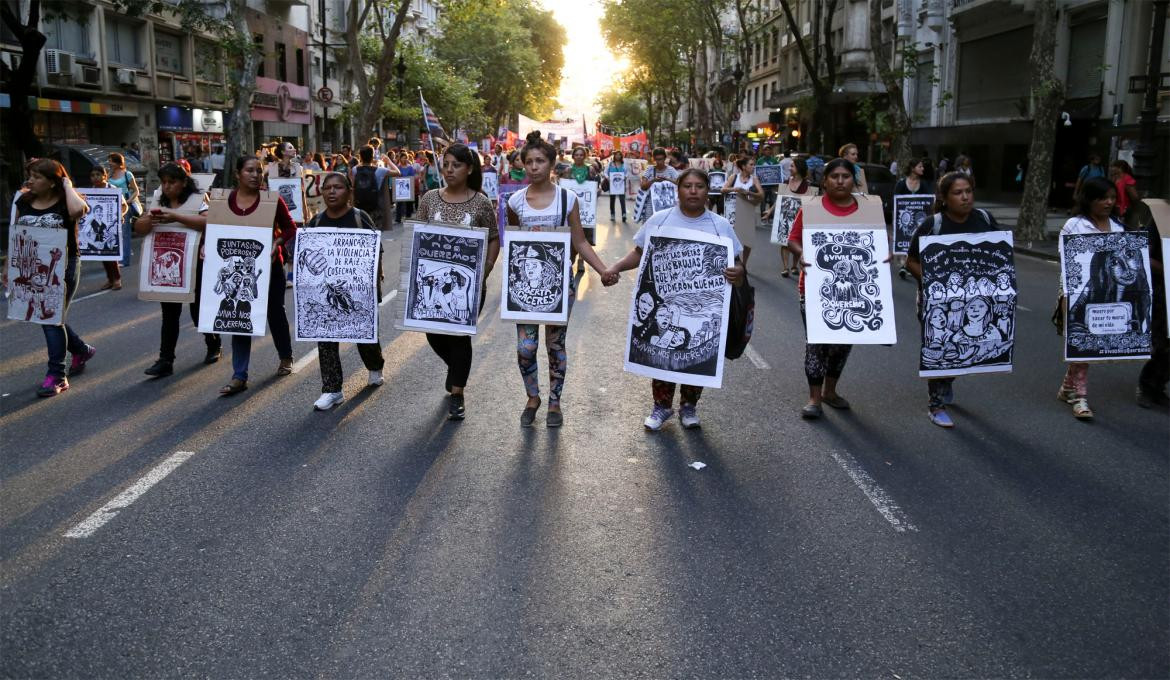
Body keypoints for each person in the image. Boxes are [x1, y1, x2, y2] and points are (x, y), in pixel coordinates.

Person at [604, 168, 746, 430]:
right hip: (665, 305)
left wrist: (738, 272)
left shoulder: (721, 225)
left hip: (703, 310)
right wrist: (615, 268)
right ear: (677, 189)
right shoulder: (660, 220)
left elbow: (736, 262)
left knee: (698, 357)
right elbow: (639, 253)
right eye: (687, 186)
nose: (693, 191)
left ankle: (689, 407)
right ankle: (661, 407)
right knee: (662, 353)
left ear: (707, 191)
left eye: (699, 186)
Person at [505, 131, 617, 428]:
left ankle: (554, 401)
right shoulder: (515, 202)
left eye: (540, 160)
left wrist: (603, 269)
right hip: (523, 290)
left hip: (557, 287)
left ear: (552, 164)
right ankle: (533, 397)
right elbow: (514, 240)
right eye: (528, 161)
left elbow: (580, 242)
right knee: (525, 348)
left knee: (555, 345)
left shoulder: (568, 199)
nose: (533, 166)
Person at [904, 172, 1001, 428]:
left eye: (968, 191)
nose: (965, 197)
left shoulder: (985, 220)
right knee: (941, 349)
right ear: (945, 198)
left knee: (968, 349)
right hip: (936, 304)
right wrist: (934, 283)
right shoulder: (932, 225)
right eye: (958, 193)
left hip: (976, 303)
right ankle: (936, 405)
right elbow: (911, 261)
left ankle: (947, 380)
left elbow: (1001, 254)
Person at [415, 144, 501, 419]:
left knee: (460, 336)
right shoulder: (429, 198)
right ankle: (456, 372)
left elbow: (493, 239)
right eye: (446, 164)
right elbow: (418, 235)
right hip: (433, 284)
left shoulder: (481, 202)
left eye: (456, 165)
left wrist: (484, 271)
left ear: (470, 169)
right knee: (434, 334)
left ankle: (457, 393)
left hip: (468, 286)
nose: (450, 170)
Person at [299, 172, 387, 410]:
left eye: (338, 187)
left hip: (358, 291)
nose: (332, 192)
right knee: (326, 339)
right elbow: (304, 256)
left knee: (364, 336)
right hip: (325, 293)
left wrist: (375, 277)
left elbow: (375, 249)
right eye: (327, 188)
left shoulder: (360, 217)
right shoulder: (316, 222)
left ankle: (375, 365)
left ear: (349, 191)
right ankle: (332, 389)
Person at [787, 158, 863, 419]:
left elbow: (875, 245)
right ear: (825, 181)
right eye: (835, 176)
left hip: (855, 291)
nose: (840, 181)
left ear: (854, 180)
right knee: (817, 342)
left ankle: (831, 391)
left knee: (843, 342)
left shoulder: (868, 209)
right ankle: (814, 398)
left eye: (846, 176)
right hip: (814, 287)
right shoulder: (812, 208)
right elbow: (793, 239)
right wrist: (801, 254)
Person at [11, 159, 95, 397]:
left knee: (50, 318)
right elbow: (15, 233)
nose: (30, 180)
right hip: (31, 267)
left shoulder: (66, 202)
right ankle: (81, 350)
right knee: (49, 316)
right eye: (30, 176)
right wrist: (10, 268)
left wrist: (67, 186)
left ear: (52, 182)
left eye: (37, 177)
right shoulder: (23, 200)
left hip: (63, 266)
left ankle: (57, 376)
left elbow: (79, 211)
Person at [217, 155, 297, 396]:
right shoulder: (224, 201)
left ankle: (286, 357)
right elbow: (215, 230)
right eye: (249, 170)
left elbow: (291, 227)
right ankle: (239, 375)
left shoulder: (272, 200)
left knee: (275, 312)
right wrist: (205, 246)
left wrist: (278, 242)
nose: (255, 175)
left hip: (269, 268)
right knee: (239, 316)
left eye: (258, 171)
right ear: (238, 174)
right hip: (236, 272)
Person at [133, 162, 222, 376]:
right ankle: (166, 360)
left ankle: (213, 343)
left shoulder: (198, 199)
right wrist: (149, 220)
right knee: (169, 313)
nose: (167, 187)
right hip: (169, 266)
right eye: (163, 182)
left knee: (198, 310)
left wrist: (175, 217)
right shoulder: (158, 201)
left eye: (172, 182)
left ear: (183, 183)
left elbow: (210, 221)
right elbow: (139, 229)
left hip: (194, 262)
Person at [1056, 176, 1126, 420]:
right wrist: (1067, 297)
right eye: (1102, 198)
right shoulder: (1074, 226)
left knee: (1087, 346)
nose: (1108, 202)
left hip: (1108, 296)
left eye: (1112, 198)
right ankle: (1080, 397)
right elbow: (1067, 265)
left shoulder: (1118, 227)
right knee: (1082, 342)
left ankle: (1067, 387)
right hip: (1077, 293)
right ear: (1089, 199)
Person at [1137, 214, 1168, 407]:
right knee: (1163, 342)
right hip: (1161, 291)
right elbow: (1144, 255)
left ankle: (1159, 385)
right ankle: (1148, 386)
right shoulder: (1161, 219)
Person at [764, 157, 813, 277]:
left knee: (797, 242)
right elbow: (779, 200)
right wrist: (769, 211)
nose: (790, 168)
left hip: (800, 219)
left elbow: (812, 203)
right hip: (785, 217)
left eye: (792, 166)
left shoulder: (808, 186)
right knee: (784, 242)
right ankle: (785, 267)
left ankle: (794, 265)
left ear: (799, 168)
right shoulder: (786, 183)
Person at [89, 165, 127, 290]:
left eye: (98, 175)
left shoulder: (112, 189)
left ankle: (117, 279)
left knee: (111, 252)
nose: (95, 178)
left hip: (111, 225)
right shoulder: (91, 191)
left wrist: (120, 215)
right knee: (102, 253)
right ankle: (110, 279)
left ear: (104, 176)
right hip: (97, 227)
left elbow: (124, 205)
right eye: (93, 175)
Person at [722, 155, 764, 267]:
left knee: (747, 238)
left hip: (748, 210)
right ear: (744, 166)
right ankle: (733, 261)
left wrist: (749, 193)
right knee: (732, 237)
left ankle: (744, 264)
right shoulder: (734, 177)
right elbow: (723, 189)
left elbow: (761, 195)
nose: (753, 167)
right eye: (751, 164)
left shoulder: (754, 179)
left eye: (754, 164)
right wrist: (735, 189)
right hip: (733, 211)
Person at [894, 158, 928, 279]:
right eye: (920, 166)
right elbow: (896, 202)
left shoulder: (923, 184)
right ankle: (904, 265)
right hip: (905, 219)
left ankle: (909, 264)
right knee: (904, 241)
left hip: (919, 219)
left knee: (914, 242)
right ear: (913, 168)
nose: (922, 168)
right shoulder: (902, 184)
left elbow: (928, 202)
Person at [351, 145, 399, 229]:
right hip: (376, 206)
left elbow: (353, 187)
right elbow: (397, 172)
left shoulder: (355, 169)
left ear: (360, 157)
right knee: (375, 230)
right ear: (372, 156)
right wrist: (388, 161)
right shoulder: (379, 170)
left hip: (359, 204)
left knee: (361, 228)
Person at [106, 152, 140, 270]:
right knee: (113, 232)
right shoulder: (109, 175)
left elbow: (136, 191)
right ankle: (116, 257)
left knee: (124, 233)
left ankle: (124, 260)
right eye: (109, 161)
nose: (109, 163)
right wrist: (107, 176)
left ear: (117, 162)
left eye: (111, 160)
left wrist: (129, 201)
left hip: (125, 205)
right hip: (112, 206)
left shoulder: (127, 174)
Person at [635, 147, 679, 222]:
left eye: (661, 159)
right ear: (654, 159)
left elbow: (679, 183)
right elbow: (643, 186)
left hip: (667, 204)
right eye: (657, 159)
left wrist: (667, 179)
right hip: (650, 204)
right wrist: (653, 180)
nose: (659, 162)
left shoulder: (671, 170)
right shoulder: (650, 169)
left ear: (665, 158)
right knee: (649, 224)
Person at [605, 150, 628, 222]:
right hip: (612, 184)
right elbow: (605, 172)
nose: (618, 156)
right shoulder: (610, 164)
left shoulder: (624, 164)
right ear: (614, 156)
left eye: (619, 155)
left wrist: (625, 177)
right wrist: (607, 178)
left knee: (622, 199)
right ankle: (612, 214)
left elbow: (627, 173)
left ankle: (624, 214)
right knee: (612, 199)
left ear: (621, 156)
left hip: (621, 184)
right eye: (616, 155)